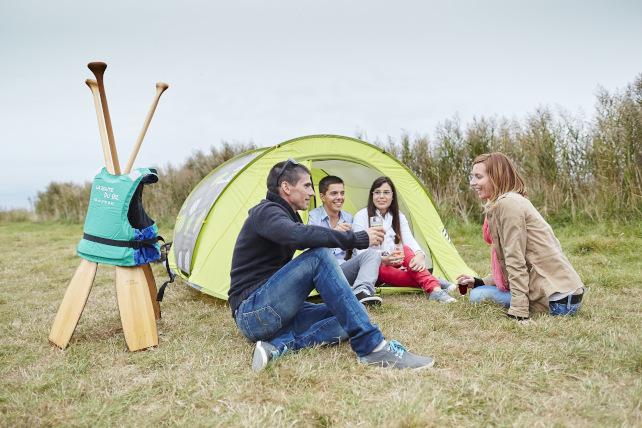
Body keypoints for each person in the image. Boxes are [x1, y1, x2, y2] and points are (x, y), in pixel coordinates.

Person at [229, 159, 435, 371]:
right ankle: (372, 347)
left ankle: (277, 347)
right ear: (286, 187)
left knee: (348, 316)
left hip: (275, 312)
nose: (311, 192)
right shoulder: (266, 212)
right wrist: (356, 238)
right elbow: (297, 236)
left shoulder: (288, 216)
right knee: (319, 255)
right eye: (307, 185)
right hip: (253, 313)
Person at [457, 152, 585, 320]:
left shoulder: (508, 204)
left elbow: (515, 260)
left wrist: (519, 312)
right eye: (472, 177)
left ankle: (524, 306)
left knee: (478, 296)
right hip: (565, 294)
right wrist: (480, 281)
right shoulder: (511, 201)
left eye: (478, 177)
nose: (473, 183)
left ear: (496, 177)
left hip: (558, 301)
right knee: (480, 290)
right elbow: (520, 262)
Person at [353, 176, 456, 303]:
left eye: (386, 192)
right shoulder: (361, 216)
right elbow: (361, 253)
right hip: (374, 266)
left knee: (406, 249)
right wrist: (383, 260)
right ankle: (434, 281)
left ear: (392, 196)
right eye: (377, 192)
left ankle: (434, 290)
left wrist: (419, 254)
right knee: (382, 268)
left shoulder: (398, 216)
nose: (381, 196)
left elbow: (409, 240)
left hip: (396, 260)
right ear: (372, 195)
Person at [308, 175, 383, 306]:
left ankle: (362, 292)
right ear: (322, 196)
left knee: (372, 254)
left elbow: (356, 248)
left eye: (342, 193)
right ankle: (348, 291)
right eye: (334, 193)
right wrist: (334, 233)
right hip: (323, 273)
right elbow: (313, 250)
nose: (339, 197)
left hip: (343, 269)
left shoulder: (348, 217)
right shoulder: (314, 217)